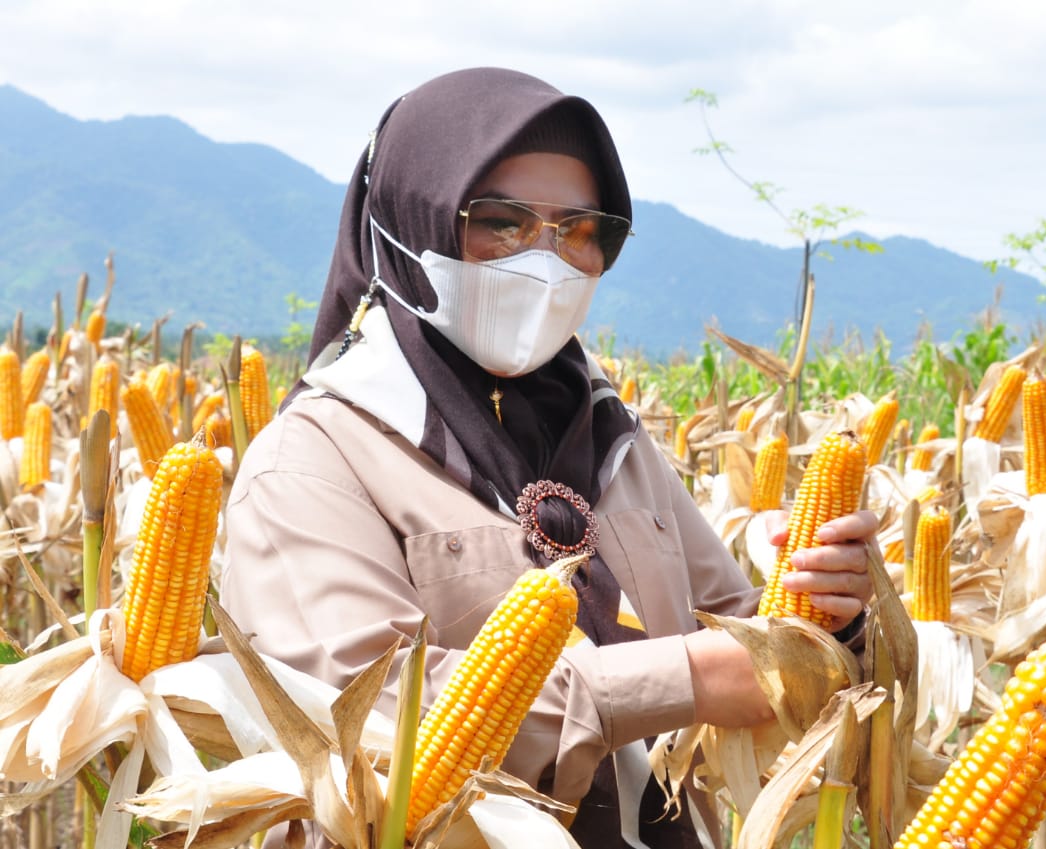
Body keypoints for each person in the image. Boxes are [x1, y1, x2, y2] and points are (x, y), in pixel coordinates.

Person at [220, 67, 877, 848]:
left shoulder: (614, 438)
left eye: (577, 229)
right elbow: (362, 717)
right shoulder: (316, 460)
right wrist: (683, 680)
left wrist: (835, 622)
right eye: (500, 222)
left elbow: (745, 640)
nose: (545, 257)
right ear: (408, 224)